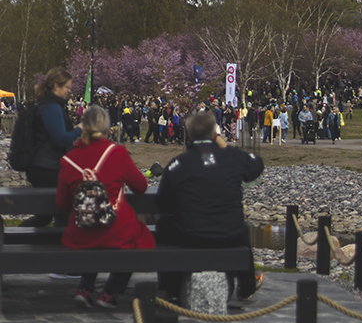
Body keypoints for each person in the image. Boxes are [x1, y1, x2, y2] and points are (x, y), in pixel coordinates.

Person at [156, 110, 264, 304]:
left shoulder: (179, 164)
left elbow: (163, 202)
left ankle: (171, 287)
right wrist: (224, 145)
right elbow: (256, 165)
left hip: (190, 234)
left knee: (163, 224)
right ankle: (247, 284)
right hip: (228, 233)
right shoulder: (231, 157)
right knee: (241, 227)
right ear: (215, 133)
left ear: (189, 135)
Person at [56, 104, 155, 308]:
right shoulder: (116, 153)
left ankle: (85, 287)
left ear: (82, 126)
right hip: (115, 229)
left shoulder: (68, 160)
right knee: (137, 237)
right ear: (107, 128)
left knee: (94, 233)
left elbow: (62, 202)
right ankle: (110, 292)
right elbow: (141, 186)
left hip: (81, 231)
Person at [22, 68, 82, 228]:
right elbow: (60, 139)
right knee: (64, 215)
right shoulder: (52, 108)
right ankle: (62, 249)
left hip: (39, 167)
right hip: (49, 169)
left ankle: (16, 241)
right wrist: (79, 129)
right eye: (67, 87)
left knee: (44, 217)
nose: (69, 91)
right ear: (56, 86)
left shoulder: (43, 105)